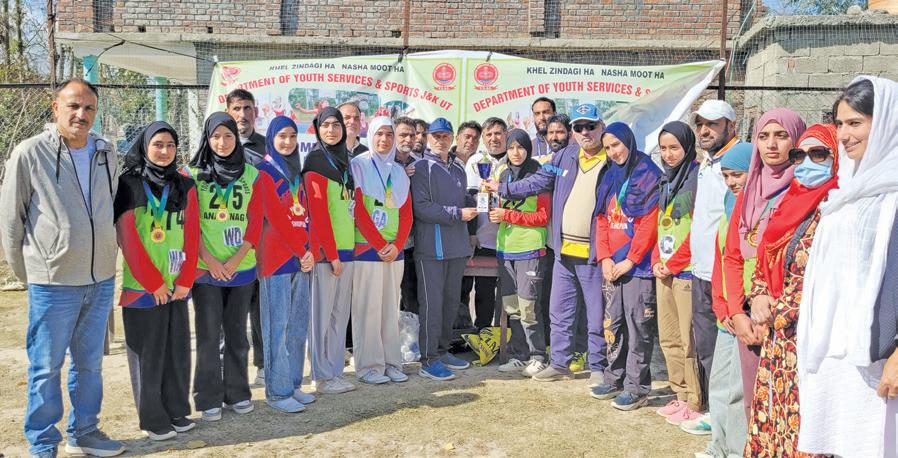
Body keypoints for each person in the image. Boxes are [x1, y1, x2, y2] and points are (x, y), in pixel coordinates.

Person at [0, 78, 125, 457]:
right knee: (45, 368)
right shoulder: (30, 153)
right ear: (55, 108)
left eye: (88, 108)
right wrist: (31, 273)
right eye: (72, 106)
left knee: (89, 365)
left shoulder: (107, 152)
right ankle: (42, 443)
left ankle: (84, 432)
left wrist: (104, 258)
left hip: (100, 279)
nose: (80, 114)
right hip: (52, 282)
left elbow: (111, 204)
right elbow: (11, 219)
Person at [797, 76, 898, 457]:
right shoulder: (847, 191)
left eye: (855, 123)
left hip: (880, 359)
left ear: (887, 121)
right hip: (837, 358)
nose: (843, 134)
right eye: (839, 124)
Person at [485, 103, 609, 387]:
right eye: (579, 127)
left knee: (595, 312)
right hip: (564, 249)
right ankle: (560, 363)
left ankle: (599, 365)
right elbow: (539, 181)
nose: (584, 132)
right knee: (559, 310)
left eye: (590, 126)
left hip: (594, 252)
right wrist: (503, 189)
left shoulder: (610, 156)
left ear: (600, 127)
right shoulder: (565, 155)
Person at [743, 124, 839, 456]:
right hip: (777, 342)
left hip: (810, 341)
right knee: (773, 420)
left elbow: (827, 277)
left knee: (804, 427)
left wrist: (777, 311)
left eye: (819, 154)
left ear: (836, 158)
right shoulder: (790, 202)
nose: (808, 162)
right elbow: (765, 256)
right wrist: (757, 297)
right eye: (800, 155)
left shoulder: (837, 209)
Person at [114, 122, 199, 441]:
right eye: (157, 145)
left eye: (170, 146)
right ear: (145, 146)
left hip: (177, 286)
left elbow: (192, 235)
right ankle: (153, 419)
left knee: (177, 354)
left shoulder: (185, 185)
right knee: (147, 358)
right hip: (142, 290)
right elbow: (128, 238)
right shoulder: (129, 184)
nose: (164, 152)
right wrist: (153, 283)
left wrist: (185, 279)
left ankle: (177, 410)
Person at [186, 112, 272, 422]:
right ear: (206, 140)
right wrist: (210, 260)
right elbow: (189, 226)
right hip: (206, 270)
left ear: (237, 139)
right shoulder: (192, 175)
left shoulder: (252, 175)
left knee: (238, 334)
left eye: (228, 136)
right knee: (209, 336)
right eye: (215, 136)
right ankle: (208, 397)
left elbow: (255, 221)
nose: (222, 142)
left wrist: (235, 260)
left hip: (241, 269)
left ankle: (238, 392)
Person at [722, 108, 806, 421]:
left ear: (796, 140)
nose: (771, 144)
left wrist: (769, 313)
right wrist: (736, 313)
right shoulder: (748, 193)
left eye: (781, 136)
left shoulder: (807, 190)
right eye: (763, 136)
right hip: (747, 314)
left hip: (786, 317)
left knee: (788, 408)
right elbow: (732, 254)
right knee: (753, 405)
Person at [592, 122, 661, 411]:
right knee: (614, 324)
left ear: (629, 143)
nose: (613, 152)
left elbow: (650, 222)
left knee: (638, 326)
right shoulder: (610, 175)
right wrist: (605, 257)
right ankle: (614, 376)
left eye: (617, 145)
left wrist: (630, 260)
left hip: (638, 267)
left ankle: (637, 387)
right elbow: (602, 218)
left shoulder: (648, 175)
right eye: (608, 148)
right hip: (612, 265)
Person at [254, 116, 318, 413]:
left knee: (297, 326)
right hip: (276, 259)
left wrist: (310, 251)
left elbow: (308, 215)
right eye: (282, 136)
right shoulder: (264, 172)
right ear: (271, 138)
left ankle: (293, 384)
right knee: (276, 328)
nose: (288, 142)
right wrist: (299, 249)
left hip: (301, 259)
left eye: (293, 136)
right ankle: (277, 393)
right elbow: (275, 218)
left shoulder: (297, 173)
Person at [694, 142, 753, 456]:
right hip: (726, 313)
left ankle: (734, 450)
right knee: (719, 387)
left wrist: (736, 307)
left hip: (743, 313)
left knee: (736, 392)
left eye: (738, 174)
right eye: (727, 175)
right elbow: (723, 260)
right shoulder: (731, 202)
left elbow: (747, 263)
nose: (731, 182)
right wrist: (721, 303)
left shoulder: (757, 207)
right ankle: (717, 446)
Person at [687, 100, 741, 427]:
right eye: (701, 124)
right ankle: (712, 412)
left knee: (722, 350)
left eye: (713, 124)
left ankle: (723, 416)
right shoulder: (706, 162)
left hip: (724, 271)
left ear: (730, 126)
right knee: (706, 345)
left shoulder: (735, 163)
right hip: (701, 268)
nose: (705, 130)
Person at [411, 118, 477, 380]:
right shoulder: (421, 167)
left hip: (457, 247)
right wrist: (458, 213)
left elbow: (464, 202)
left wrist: (478, 199)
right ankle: (428, 359)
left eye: (445, 136)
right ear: (428, 138)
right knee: (432, 306)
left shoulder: (459, 168)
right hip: (431, 249)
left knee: (451, 304)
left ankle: (442, 349)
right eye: (436, 136)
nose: (440, 140)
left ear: (452, 139)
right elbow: (422, 207)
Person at [350, 116, 414, 385]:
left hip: (394, 253)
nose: (384, 139)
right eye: (379, 134)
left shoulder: (398, 172)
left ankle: (391, 362)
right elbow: (359, 211)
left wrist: (397, 245)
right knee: (368, 310)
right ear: (371, 135)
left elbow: (406, 214)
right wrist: (379, 244)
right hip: (368, 250)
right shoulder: (359, 165)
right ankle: (368, 366)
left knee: (390, 309)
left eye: (389, 134)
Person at [302, 107, 358, 394]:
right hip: (327, 255)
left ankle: (335, 371)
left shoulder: (345, 163)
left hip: (347, 251)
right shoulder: (315, 162)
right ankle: (321, 375)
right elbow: (319, 214)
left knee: (339, 317)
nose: (332, 130)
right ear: (317, 128)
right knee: (322, 318)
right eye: (326, 126)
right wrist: (333, 254)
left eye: (337, 125)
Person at [650, 121, 703, 425]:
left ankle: (695, 400)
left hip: (686, 271)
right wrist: (658, 258)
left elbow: (697, 231)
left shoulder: (698, 179)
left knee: (688, 340)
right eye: (664, 148)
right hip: (665, 270)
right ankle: (679, 394)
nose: (669, 155)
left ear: (687, 147)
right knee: (668, 338)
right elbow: (663, 225)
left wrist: (674, 262)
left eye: (675, 148)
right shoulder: (666, 181)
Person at [489, 129, 550, 376]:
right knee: (512, 306)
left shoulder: (540, 175)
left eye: (521, 147)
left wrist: (508, 215)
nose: (516, 152)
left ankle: (539, 356)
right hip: (506, 248)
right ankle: (519, 355)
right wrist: (495, 213)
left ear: (529, 148)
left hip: (531, 248)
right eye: (511, 147)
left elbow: (543, 217)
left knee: (529, 307)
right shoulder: (502, 174)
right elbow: (499, 209)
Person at [225, 88, 266, 386]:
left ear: (256, 112)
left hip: (261, 241)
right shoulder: (216, 145)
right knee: (230, 312)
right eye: (237, 108)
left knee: (260, 309)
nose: (242, 115)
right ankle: (230, 369)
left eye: (247, 108)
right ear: (228, 111)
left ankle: (263, 366)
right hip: (224, 246)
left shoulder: (267, 147)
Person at [463, 117, 507, 330]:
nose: (493, 138)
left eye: (498, 133)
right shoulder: (476, 161)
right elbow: (470, 198)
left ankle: (504, 337)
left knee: (509, 295)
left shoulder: (515, 158)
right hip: (484, 239)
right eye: (488, 134)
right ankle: (482, 335)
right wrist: (472, 234)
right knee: (483, 292)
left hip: (511, 239)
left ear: (506, 135)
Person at [394, 116, 420, 314]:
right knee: (385, 298)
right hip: (385, 241)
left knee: (411, 297)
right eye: (403, 134)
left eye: (412, 135)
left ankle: (408, 342)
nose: (408, 139)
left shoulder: (420, 164)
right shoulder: (381, 162)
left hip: (411, 243)